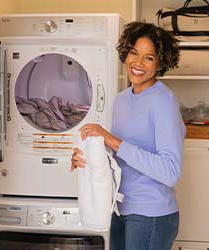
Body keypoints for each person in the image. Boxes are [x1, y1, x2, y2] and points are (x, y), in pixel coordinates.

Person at [71, 21, 186, 250]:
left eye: (149, 58)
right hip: (120, 207)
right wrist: (88, 158)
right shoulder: (122, 99)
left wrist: (112, 139)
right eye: (134, 52)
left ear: (160, 62)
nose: (138, 63)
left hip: (151, 215)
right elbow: (120, 157)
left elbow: (170, 172)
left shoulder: (163, 101)